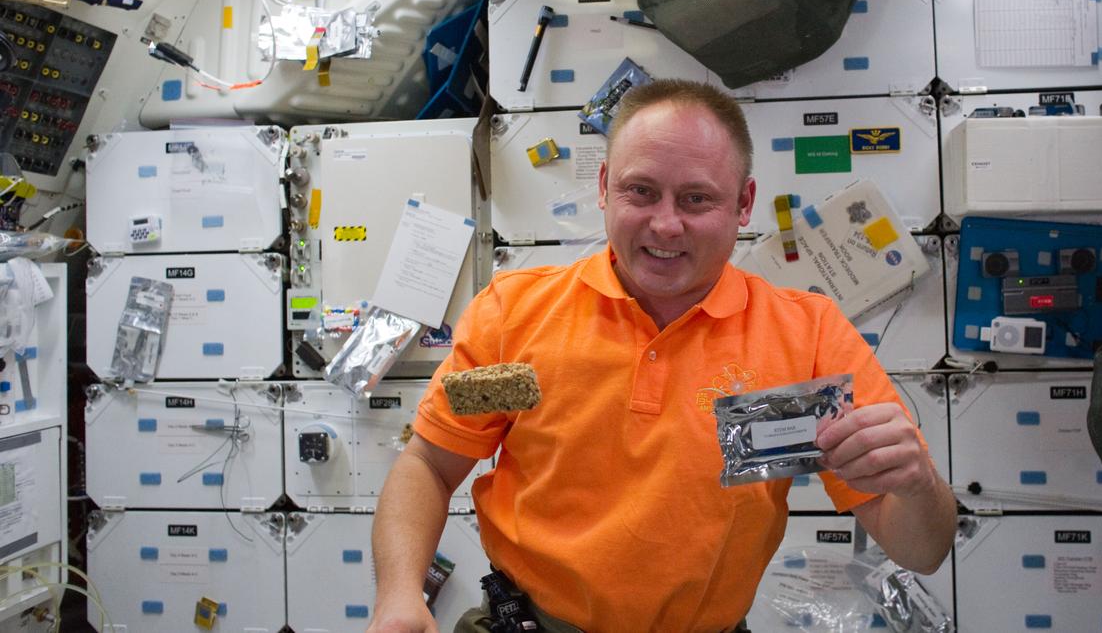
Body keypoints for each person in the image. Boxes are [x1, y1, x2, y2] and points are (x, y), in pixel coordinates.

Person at [369, 79, 957, 633]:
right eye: (640, 192)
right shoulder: (515, 316)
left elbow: (923, 549)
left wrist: (918, 485)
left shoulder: (806, 337)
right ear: (604, 187)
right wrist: (399, 594)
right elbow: (428, 465)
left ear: (744, 203)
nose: (666, 224)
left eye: (697, 198)